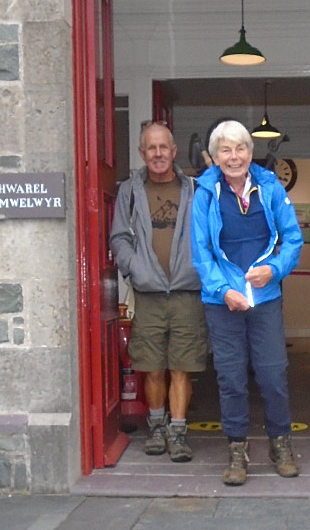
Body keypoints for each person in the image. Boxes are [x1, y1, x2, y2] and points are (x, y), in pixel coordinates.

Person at [190, 119, 303, 486]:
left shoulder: (270, 187)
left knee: (273, 374)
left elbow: (294, 239)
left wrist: (274, 269)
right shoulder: (205, 193)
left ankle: (280, 443)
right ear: (215, 156)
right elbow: (200, 250)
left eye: (240, 148)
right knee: (232, 378)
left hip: (265, 297)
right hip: (221, 300)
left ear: (250, 154)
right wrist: (224, 291)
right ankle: (236, 449)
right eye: (226, 149)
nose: (234, 156)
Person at [110, 121, 208, 463]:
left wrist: (200, 268)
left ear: (174, 150)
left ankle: (178, 433)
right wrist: (135, 269)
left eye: (163, 147)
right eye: (150, 148)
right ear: (141, 153)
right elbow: (119, 237)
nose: (157, 154)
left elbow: (210, 234)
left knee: (181, 366)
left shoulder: (195, 189)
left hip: (186, 291)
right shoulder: (129, 190)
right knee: (152, 366)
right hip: (149, 292)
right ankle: (156, 428)